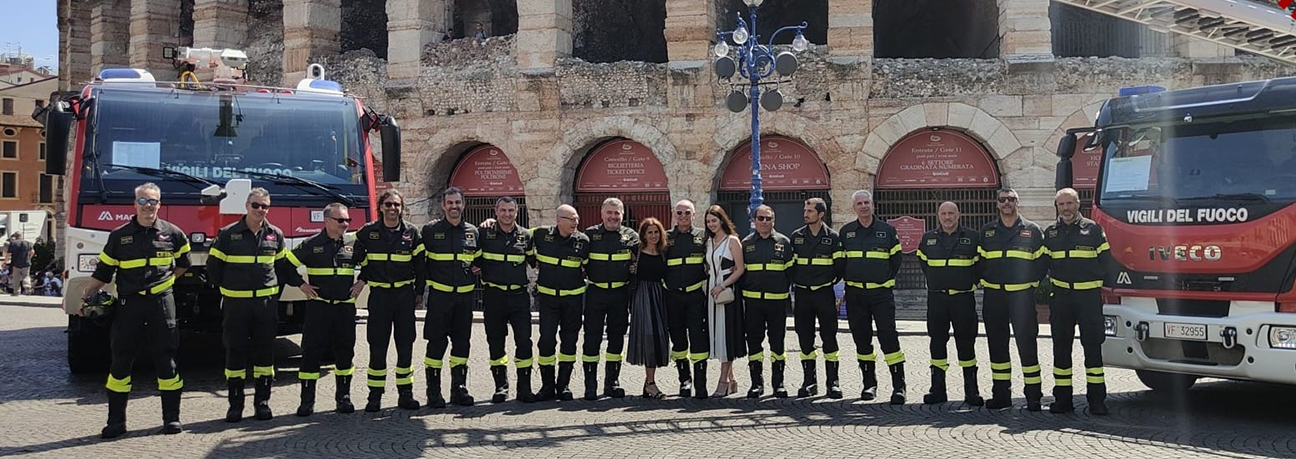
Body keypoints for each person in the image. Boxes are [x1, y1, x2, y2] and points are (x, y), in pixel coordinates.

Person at [82, 183, 191, 438]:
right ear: (135, 204)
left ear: (159, 204)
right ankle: (116, 423)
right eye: (142, 201)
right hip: (129, 305)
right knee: (121, 360)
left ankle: (172, 420)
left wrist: (166, 283)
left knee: (167, 360)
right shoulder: (119, 236)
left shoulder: (173, 233)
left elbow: (184, 263)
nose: (147, 206)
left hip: (161, 303)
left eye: (152, 201)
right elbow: (103, 272)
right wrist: (84, 297)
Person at [208, 188, 295, 422]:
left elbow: (282, 268)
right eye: (256, 205)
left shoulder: (275, 234)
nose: (260, 210)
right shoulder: (228, 234)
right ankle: (235, 405)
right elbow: (213, 270)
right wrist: (229, 289)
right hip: (236, 304)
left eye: (264, 206)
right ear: (247, 206)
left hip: (265, 305)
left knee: (265, 352)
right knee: (235, 351)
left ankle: (262, 403)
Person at [280, 202, 359, 416]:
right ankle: (307, 401)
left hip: (344, 309)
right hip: (319, 308)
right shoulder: (310, 244)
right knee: (311, 351)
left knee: (345, 352)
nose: (345, 224)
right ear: (327, 221)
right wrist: (301, 285)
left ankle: (343, 398)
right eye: (340, 220)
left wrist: (362, 282)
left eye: (347, 220)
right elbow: (285, 266)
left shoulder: (353, 244)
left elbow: (371, 266)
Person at [351, 189, 424, 412]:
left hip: (404, 296)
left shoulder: (412, 232)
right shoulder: (367, 232)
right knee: (377, 346)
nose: (393, 208)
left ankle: (405, 394)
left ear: (402, 208)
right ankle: (375, 395)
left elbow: (420, 266)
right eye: (388, 204)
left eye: (396, 205)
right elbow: (357, 257)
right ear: (381, 207)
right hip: (380, 297)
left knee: (405, 345)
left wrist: (419, 292)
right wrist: (362, 279)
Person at [1043, 188, 1114, 415]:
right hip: (1061, 299)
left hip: (1088, 299)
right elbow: (1043, 265)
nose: (1066, 208)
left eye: (1070, 203)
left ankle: (1097, 400)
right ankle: (1063, 400)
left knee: (1092, 348)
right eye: (1061, 204)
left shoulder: (1093, 230)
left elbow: (1107, 263)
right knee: (1061, 348)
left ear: (1078, 204)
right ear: (1057, 207)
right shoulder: (1050, 233)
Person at [978, 187, 1047, 411]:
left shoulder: (1032, 230)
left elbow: (1042, 263)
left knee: (1027, 345)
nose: (1006, 203)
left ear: (1018, 202)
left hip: (1021, 297)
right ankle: (1001, 395)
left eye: (1011, 199)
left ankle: (1033, 396)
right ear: (997, 203)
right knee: (997, 346)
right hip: (994, 297)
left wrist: (1031, 284)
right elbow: (979, 262)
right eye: (1003, 199)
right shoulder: (987, 231)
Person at [839, 190, 906, 404]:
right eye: (859, 203)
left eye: (866, 202)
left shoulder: (887, 231)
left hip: (880, 294)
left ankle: (899, 386)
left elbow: (896, 260)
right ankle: (869, 384)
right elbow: (841, 262)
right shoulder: (846, 232)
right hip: (855, 294)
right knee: (862, 339)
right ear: (854, 208)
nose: (863, 206)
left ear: (873, 205)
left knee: (888, 337)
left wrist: (883, 278)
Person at [915, 202, 984, 406]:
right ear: (938, 215)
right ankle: (937, 390)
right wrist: (937, 280)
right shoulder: (928, 239)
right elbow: (923, 262)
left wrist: (970, 282)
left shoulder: (973, 237)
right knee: (937, 342)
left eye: (951, 213)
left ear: (958, 215)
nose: (947, 217)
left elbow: (981, 265)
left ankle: (971, 391)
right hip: (937, 299)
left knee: (966, 343)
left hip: (963, 299)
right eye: (944, 213)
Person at [420, 187, 481, 408]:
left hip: (464, 300)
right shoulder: (430, 231)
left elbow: (479, 260)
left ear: (463, 205)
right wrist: (419, 292)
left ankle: (459, 389)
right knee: (436, 344)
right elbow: (420, 262)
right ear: (443, 205)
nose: (454, 206)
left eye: (457, 202)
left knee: (462, 344)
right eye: (450, 203)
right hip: (440, 299)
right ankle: (433, 392)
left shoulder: (473, 232)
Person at [476, 196, 537, 403]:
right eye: (503, 210)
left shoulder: (526, 236)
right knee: (496, 342)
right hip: (494, 296)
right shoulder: (484, 233)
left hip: (519, 297)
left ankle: (524, 388)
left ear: (517, 212)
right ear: (496, 212)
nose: (507, 214)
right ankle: (501, 387)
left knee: (524, 342)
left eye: (511, 210)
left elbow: (535, 261)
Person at [581, 198, 639, 400]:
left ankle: (612, 383)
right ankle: (590, 385)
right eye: (609, 213)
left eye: (617, 213)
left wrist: (635, 268)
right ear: (602, 214)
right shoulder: (589, 235)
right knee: (591, 339)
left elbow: (641, 260)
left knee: (616, 339)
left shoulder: (631, 237)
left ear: (622, 215)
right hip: (595, 293)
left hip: (620, 294)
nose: (613, 217)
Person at [531, 204, 589, 401]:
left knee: (569, 341)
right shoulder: (541, 234)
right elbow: (517, 232)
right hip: (548, 300)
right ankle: (547, 386)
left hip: (573, 300)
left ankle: (563, 385)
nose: (575, 222)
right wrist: (491, 222)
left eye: (577, 219)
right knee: (546, 341)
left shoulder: (583, 241)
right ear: (558, 220)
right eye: (571, 219)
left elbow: (590, 266)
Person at [789, 197, 844, 399]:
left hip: (824, 293)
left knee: (829, 336)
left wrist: (826, 281)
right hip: (803, 294)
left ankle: (833, 383)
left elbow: (840, 268)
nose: (806, 214)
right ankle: (809, 382)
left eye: (810, 211)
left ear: (821, 214)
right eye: (805, 210)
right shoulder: (796, 236)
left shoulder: (833, 238)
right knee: (805, 337)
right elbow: (790, 266)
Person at [740, 205, 792, 398]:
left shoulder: (784, 242)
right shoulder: (746, 244)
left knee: (777, 343)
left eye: (768, 218)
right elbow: (741, 273)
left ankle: (778, 384)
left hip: (777, 303)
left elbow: (790, 273)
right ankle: (756, 384)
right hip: (753, 304)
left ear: (773, 221)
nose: (764, 222)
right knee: (754, 343)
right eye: (760, 218)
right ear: (754, 221)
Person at [663, 200, 710, 397]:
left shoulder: (703, 236)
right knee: (678, 339)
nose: (683, 216)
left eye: (687, 213)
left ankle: (701, 383)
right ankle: (685, 381)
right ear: (674, 214)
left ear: (694, 214)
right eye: (680, 213)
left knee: (699, 338)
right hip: (673, 296)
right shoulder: (665, 237)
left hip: (695, 296)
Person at [627, 217, 671, 399]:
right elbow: (624, 270)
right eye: (650, 232)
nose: (653, 235)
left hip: (659, 295)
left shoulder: (664, 252)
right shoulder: (635, 251)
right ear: (643, 235)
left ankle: (648, 383)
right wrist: (630, 269)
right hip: (642, 295)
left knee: (659, 337)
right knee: (648, 337)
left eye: (656, 232)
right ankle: (651, 383)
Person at [704, 205, 744, 397]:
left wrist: (722, 285)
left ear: (722, 220)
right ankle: (732, 379)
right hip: (712, 292)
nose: (711, 224)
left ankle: (723, 381)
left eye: (714, 220)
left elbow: (740, 268)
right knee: (717, 334)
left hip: (726, 291)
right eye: (708, 221)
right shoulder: (708, 242)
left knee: (726, 336)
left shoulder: (732, 241)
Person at [6, 231, 33, 296]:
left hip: (16, 264)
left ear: (15, 236)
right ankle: (27, 287)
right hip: (26, 263)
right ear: (22, 236)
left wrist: (5, 261)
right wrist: (29, 258)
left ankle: (16, 292)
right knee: (26, 276)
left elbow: (8, 254)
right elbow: (32, 251)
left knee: (16, 278)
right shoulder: (28, 243)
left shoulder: (13, 243)